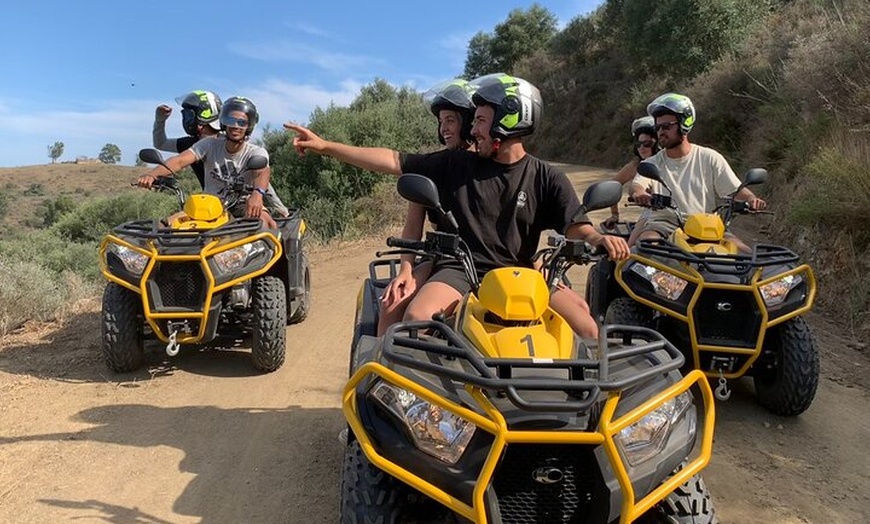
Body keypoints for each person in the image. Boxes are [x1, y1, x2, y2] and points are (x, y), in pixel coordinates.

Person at [285, 74, 629, 339]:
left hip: (520, 273)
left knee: (586, 326)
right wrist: (326, 146)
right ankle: (408, 403)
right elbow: (392, 160)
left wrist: (598, 238)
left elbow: (576, 225)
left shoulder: (546, 176)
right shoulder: (452, 164)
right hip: (461, 270)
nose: (472, 129)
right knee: (417, 317)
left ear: (506, 121)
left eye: (479, 121)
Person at [377, 79, 477, 336]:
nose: (444, 128)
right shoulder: (434, 167)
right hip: (444, 260)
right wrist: (406, 270)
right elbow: (412, 227)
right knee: (392, 303)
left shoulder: (492, 164)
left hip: (486, 262)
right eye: (441, 122)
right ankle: (381, 361)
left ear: (469, 121)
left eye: (450, 120)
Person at [629, 93, 766, 253]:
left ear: (684, 124)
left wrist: (751, 199)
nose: (661, 132)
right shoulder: (652, 163)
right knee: (647, 247)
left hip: (708, 227)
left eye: (666, 126)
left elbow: (735, 190)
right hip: (665, 225)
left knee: (746, 255)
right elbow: (637, 185)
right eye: (658, 127)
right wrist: (640, 194)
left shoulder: (709, 158)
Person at [137, 96, 287, 228]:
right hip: (208, 205)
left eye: (241, 122)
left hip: (242, 203)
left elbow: (263, 172)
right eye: (231, 120)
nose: (235, 126)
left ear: (249, 126)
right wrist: (152, 175)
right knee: (166, 227)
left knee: (266, 224)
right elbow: (180, 161)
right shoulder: (208, 144)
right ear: (223, 122)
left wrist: (257, 195)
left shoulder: (255, 152)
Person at [152, 90, 222, 189]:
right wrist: (160, 120)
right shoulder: (192, 144)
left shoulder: (229, 142)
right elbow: (161, 144)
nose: (187, 119)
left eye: (189, 115)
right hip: (209, 198)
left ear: (204, 114)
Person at [602, 116, 659, 231]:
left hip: (679, 214)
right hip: (650, 217)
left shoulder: (669, 162)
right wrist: (614, 215)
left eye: (647, 144)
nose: (642, 148)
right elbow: (613, 186)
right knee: (638, 240)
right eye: (639, 144)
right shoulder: (635, 166)